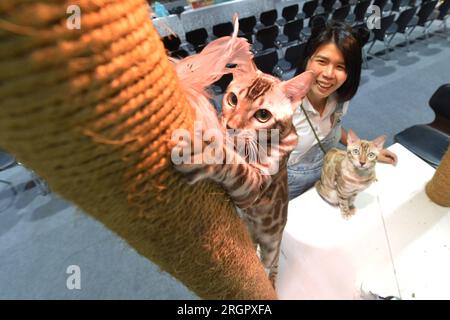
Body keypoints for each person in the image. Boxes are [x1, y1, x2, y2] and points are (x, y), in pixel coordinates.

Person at [288, 21, 398, 200]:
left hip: (326, 175)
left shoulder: (338, 98)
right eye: (322, 61)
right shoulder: (280, 107)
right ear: (307, 60)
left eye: (340, 66)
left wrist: (366, 152)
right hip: (286, 187)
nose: (329, 74)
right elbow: (252, 157)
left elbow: (330, 128)